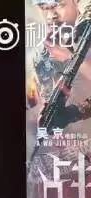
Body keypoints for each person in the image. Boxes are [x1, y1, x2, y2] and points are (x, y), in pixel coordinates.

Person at [30, 0, 91, 128]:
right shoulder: (44, 47)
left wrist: (69, 57)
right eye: (43, 7)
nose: (51, 15)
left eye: (59, 5)